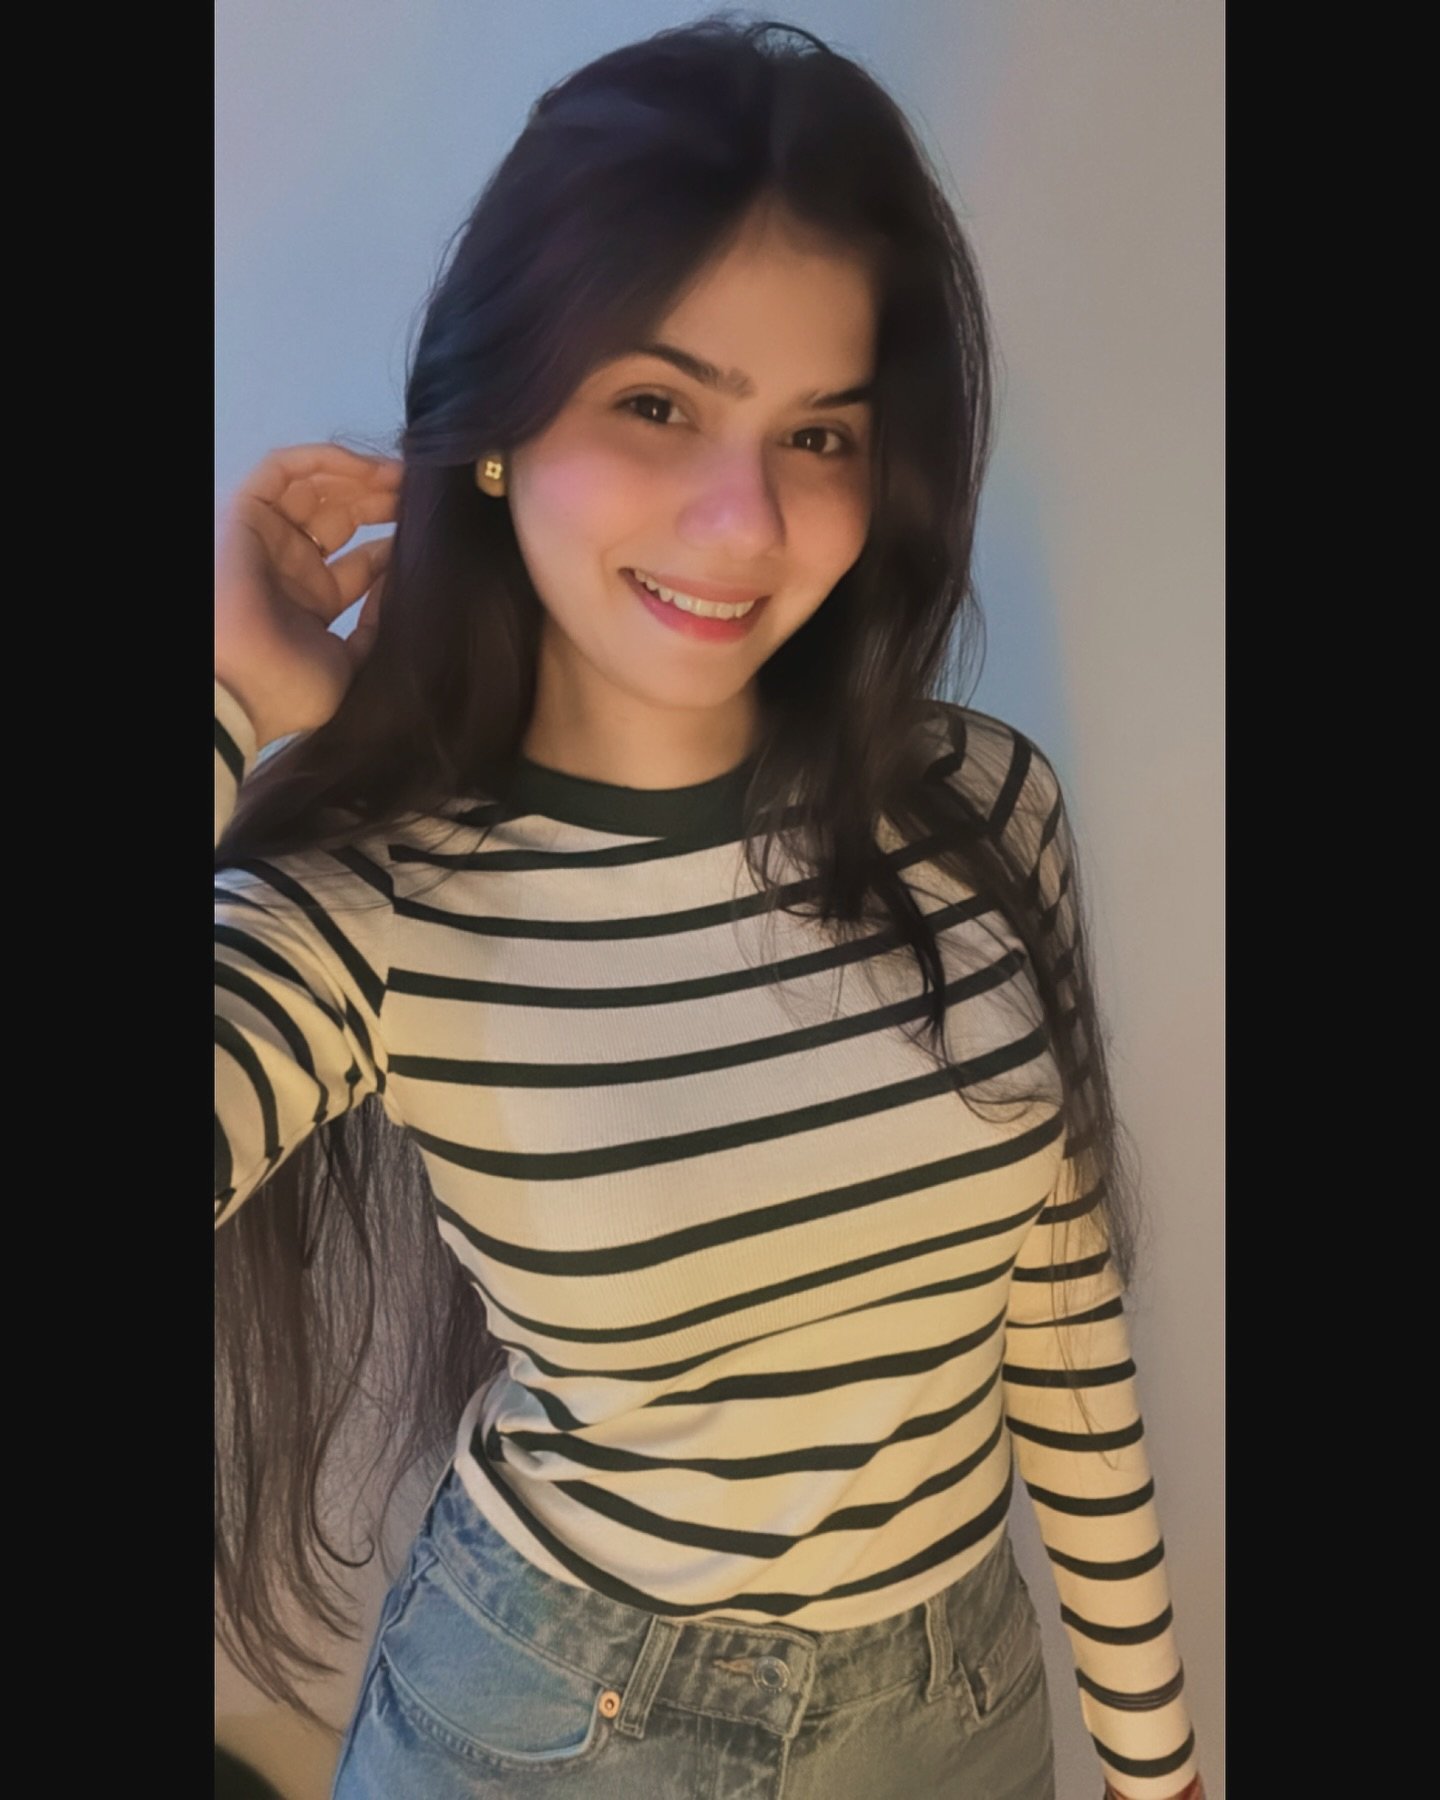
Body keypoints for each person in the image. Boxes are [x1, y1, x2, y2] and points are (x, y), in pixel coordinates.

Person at [214, 16, 1205, 1800]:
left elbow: (1053, 1309)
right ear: (496, 427)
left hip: (963, 1707)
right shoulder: (369, 908)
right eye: (656, 404)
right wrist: (225, 699)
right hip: (559, 1729)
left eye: (819, 432)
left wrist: (1156, 1758)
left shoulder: (985, 807)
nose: (742, 520)